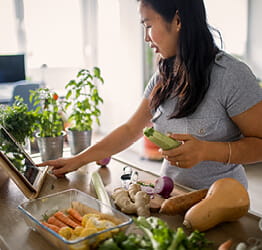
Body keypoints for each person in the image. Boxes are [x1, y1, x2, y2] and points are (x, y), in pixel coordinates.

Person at [39, 0, 262, 190]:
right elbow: (130, 130)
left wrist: (207, 150)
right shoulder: (163, 74)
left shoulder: (231, 75)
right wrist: (77, 160)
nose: (146, 38)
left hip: (223, 203)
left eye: (148, 25)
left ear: (177, 21)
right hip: (171, 195)